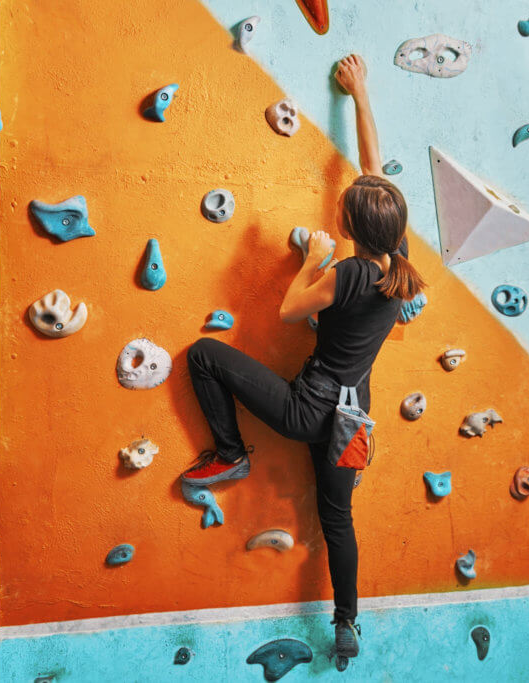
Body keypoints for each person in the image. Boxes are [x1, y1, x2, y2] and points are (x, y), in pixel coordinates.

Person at [180, 53, 426, 662]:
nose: (338, 209)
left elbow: (291, 310)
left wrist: (313, 256)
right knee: (336, 521)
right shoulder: (400, 266)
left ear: (348, 228)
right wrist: (359, 92)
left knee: (204, 355)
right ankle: (347, 622)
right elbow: (374, 172)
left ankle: (231, 453)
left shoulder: (342, 273)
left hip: (307, 410)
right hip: (354, 422)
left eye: (340, 213)